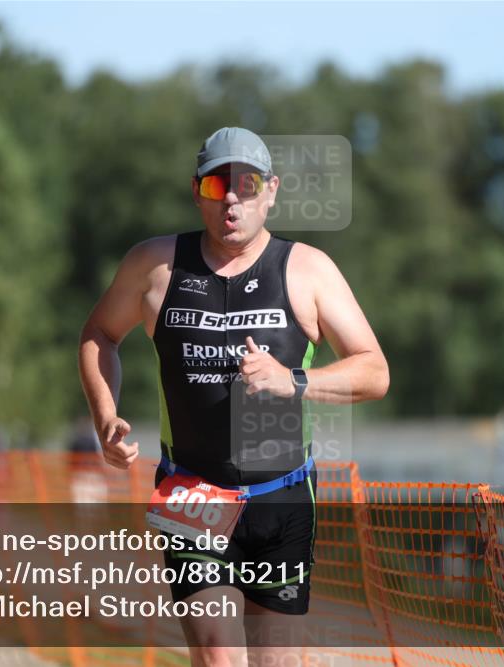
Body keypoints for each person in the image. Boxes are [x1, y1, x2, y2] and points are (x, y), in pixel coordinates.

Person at [79, 127, 389, 666]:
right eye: (215, 185)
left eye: (245, 185)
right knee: (219, 656)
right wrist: (106, 415)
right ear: (195, 190)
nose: (230, 200)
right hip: (192, 491)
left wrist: (291, 381)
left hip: (283, 495)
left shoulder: (308, 269)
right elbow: (99, 334)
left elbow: (374, 371)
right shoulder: (156, 265)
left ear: (271, 190)